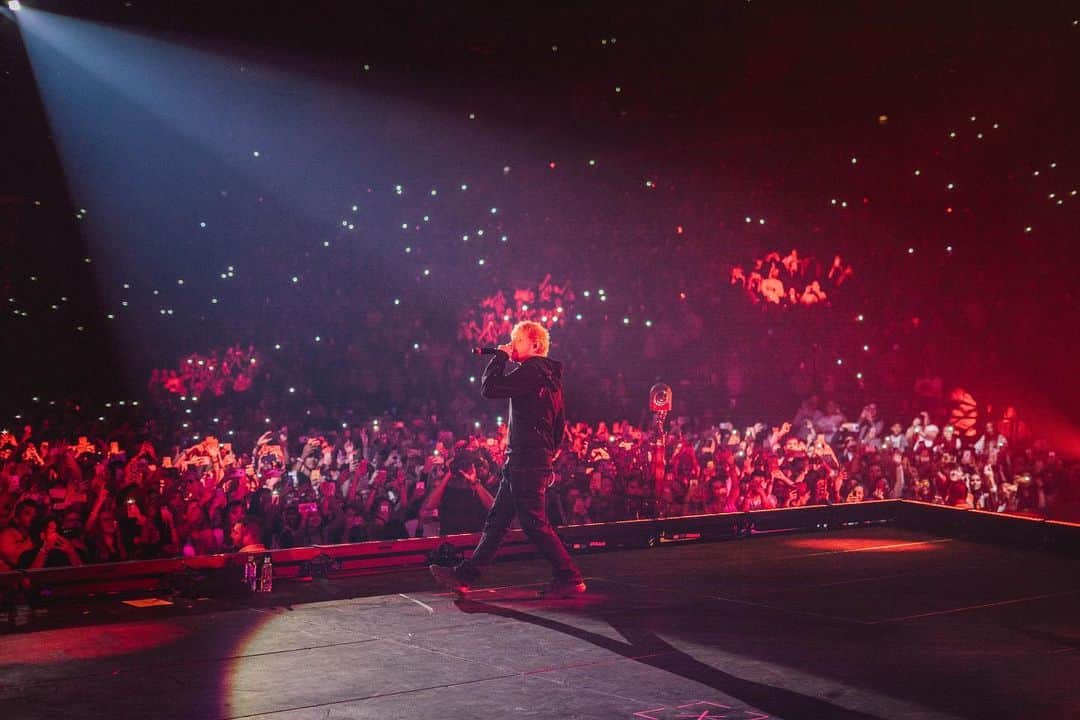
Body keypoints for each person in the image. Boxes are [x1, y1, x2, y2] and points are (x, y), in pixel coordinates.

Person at [431, 321, 586, 598]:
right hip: (525, 458)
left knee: (533, 522)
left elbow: (490, 388)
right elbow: (559, 425)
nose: (511, 344)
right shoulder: (547, 376)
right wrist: (547, 454)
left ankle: (569, 576)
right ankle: (465, 576)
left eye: (517, 340)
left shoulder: (534, 370)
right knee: (498, 520)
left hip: (526, 458)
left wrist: (500, 357)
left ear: (536, 345)